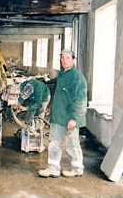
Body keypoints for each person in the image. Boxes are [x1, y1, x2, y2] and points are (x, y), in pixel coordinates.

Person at [38, 49, 87, 178]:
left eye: (67, 58)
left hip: (70, 118)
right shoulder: (62, 75)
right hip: (58, 117)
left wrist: (74, 119)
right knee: (54, 142)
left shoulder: (77, 77)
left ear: (73, 60)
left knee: (72, 144)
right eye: (62, 58)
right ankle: (53, 168)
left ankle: (77, 168)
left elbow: (81, 100)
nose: (64, 60)